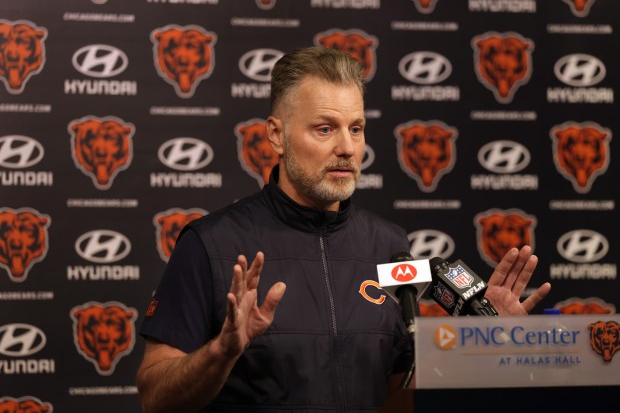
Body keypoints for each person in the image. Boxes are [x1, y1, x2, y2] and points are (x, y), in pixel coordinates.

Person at [136, 47, 551, 413]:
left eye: (356, 128)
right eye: (325, 128)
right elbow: (154, 397)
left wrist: (483, 341)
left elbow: (400, 394)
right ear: (276, 135)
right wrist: (221, 353)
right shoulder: (212, 244)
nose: (347, 148)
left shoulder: (389, 246)